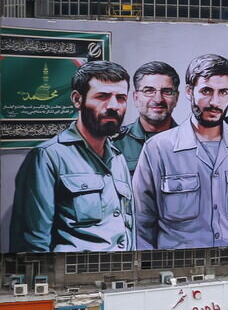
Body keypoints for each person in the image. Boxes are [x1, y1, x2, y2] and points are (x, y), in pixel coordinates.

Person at [132, 55, 228, 249]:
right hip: (178, 265)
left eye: (223, 92)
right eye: (206, 91)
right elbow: (142, 225)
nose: (215, 101)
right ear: (189, 91)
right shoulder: (158, 149)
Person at [10, 61, 135, 254]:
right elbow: (33, 247)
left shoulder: (118, 158)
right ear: (77, 100)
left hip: (121, 271)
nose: (113, 106)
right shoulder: (48, 157)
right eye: (102, 96)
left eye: (121, 98)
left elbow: (127, 231)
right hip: (75, 272)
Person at [113, 61, 181, 173]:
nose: (158, 99)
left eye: (167, 92)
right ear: (135, 98)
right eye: (149, 91)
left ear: (176, 98)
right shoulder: (114, 144)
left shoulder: (192, 143)